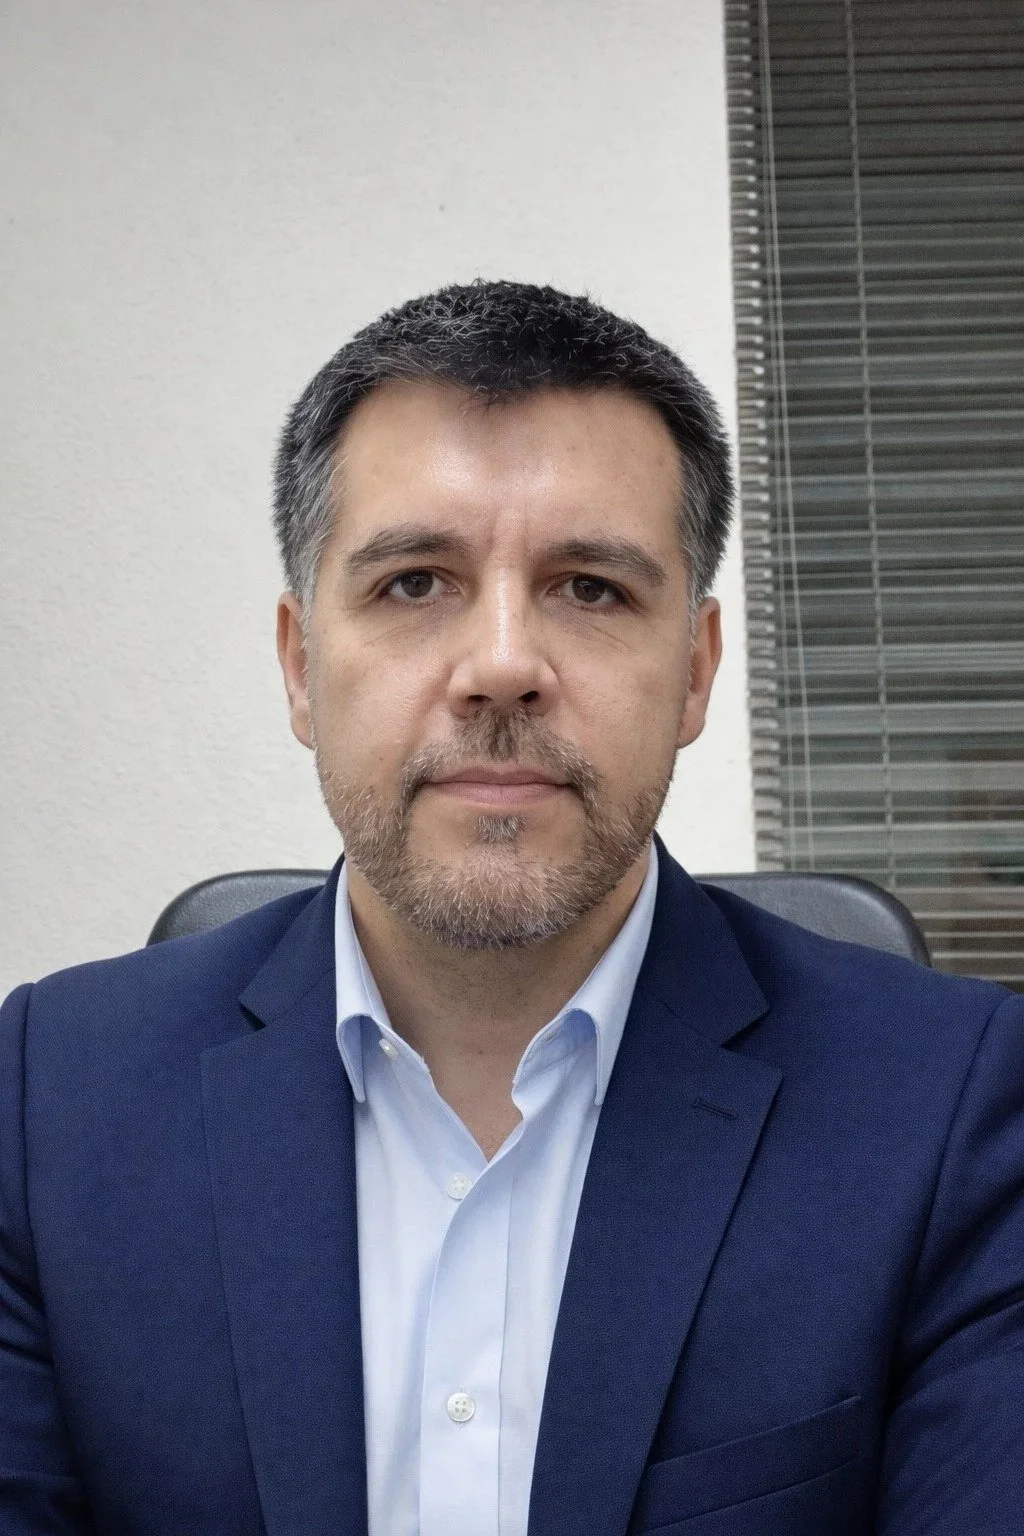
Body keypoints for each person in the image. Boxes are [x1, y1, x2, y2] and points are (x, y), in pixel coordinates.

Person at [1, 280, 1021, 1536]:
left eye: (590, 588)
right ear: (298, 666)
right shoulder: (45, 1104)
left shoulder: (957, 1113)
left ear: (694, 673)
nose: (500, 666)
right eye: (415, 581)